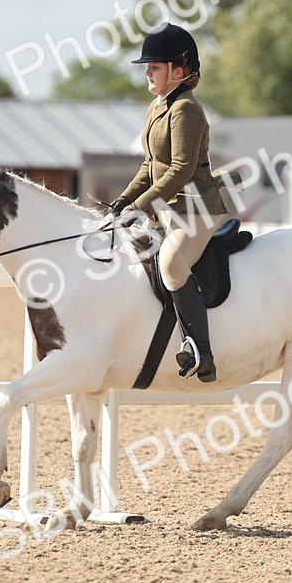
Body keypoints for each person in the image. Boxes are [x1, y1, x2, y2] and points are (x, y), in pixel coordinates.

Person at [110, 23, 229, 383]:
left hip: (197, 210)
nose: (147, 71)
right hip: (169, 212)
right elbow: (150, 165)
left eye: (155, 66)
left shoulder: (186, 110)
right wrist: (124, 199)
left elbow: (180, 169)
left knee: (173, 265)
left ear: (179, 70)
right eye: (147, 66)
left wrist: (141, 207)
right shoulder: (158, 106)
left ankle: (201, 351)